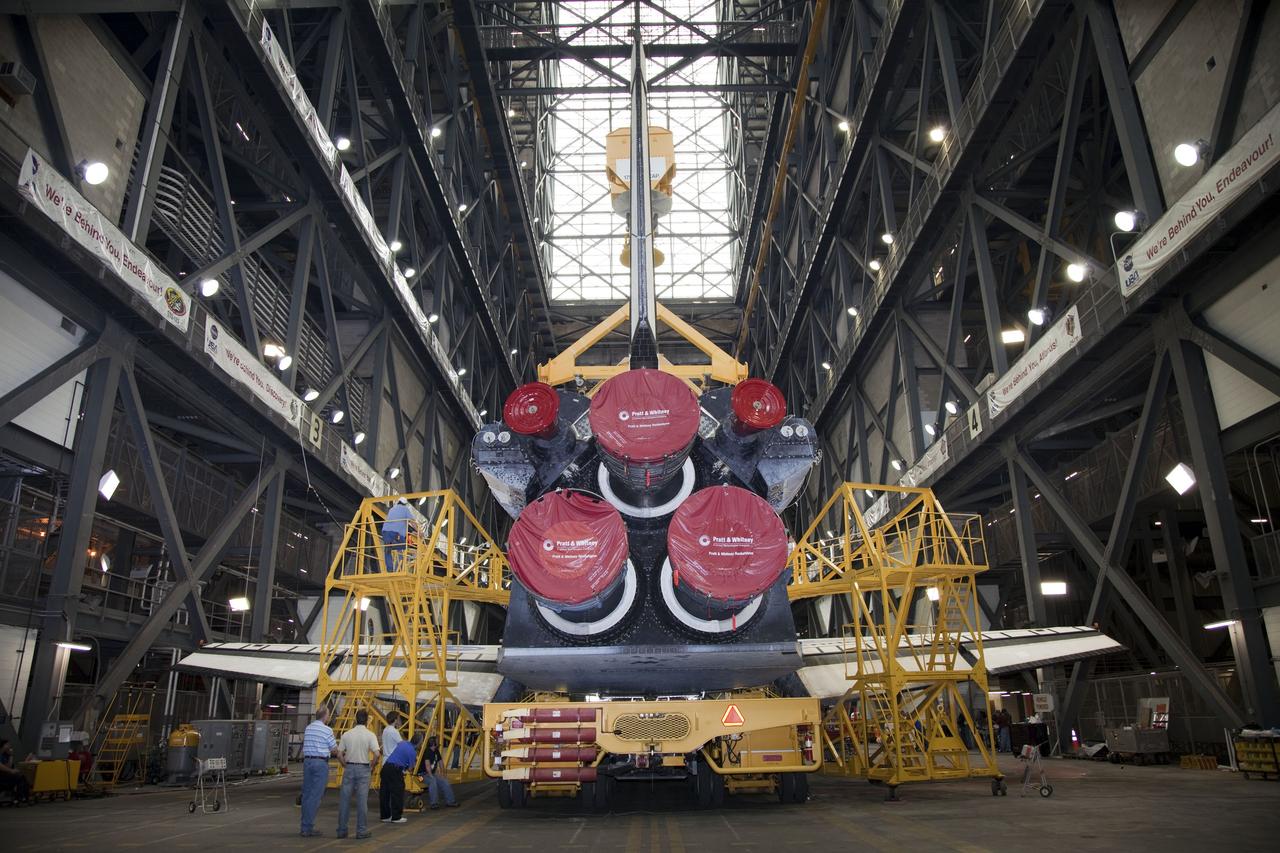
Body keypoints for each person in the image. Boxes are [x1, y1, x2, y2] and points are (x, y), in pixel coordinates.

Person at [337, 709, 380, 839]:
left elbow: (339, 754)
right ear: (366, 720)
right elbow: (377, 754)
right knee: (362, 801)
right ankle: (361, 831)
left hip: (349, 768)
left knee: (345, 800)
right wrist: (372, 765)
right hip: (363, 769)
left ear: (356, 719)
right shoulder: (370, 735)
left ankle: (342, 830)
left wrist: (344, 764)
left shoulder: (346, 734)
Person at [300, 707, 342, 837]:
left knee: (307, 795)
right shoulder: (327, 730)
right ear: (325, 716)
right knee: (315, 796)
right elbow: (334, 749)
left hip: (307, 762)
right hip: (320, 764)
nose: (329, 717)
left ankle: (304, 826)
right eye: (328, 715)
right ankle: (308, 827)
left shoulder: (308, 728)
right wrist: (342, 755)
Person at [380, 734, 418, 824]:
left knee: (385, 793)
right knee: (397, 793)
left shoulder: (403, 743)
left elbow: (399, 755)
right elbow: (410, 769)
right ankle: (396, 817)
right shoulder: (412, 752)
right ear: (419, 743)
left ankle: (385, 816)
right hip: (395, 770)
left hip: (386, 767)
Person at [422, 735, 457, 809]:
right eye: (437, 741)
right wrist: (431, 776)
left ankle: (451, 801)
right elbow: (427, 765)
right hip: (422, 774)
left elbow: (441, 763)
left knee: (445, 781)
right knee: (433, 781)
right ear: (433, 743)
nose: (439, 742)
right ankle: (434, 803)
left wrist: (443, 774)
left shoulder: (436, 751)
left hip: (431, 773)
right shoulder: (427, 751)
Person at [382, 499, 414, 572]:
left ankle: (390, 569)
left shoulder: (392, 509)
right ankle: (398, 568)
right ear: (405, 504)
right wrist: (419, 532)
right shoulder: (405, 509)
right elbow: (412, 522)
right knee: (403, 547)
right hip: (396, 534)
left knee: (387, 550)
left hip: (386, 532)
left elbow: (397, 523)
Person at [0, 739, 31, 804]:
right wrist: (11, 771)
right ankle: (20, 798)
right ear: (2, 745)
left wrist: (11, 755)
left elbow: (8, 766)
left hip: (4, 775)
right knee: (19, 778)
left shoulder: (4, 755)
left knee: (22, 777)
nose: (9, 746)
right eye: (7, 744)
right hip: (2, 776)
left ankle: (23, 797)